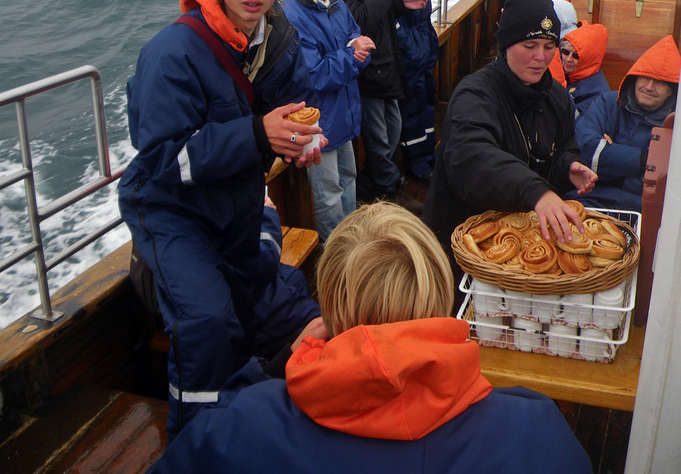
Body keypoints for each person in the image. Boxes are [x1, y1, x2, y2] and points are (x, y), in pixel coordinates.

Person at [150, 202, 593, 474]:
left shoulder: (241, 425)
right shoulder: (539, 435)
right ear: (439, 296)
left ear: (329, 309)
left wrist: (277, 367)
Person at [118, 0, 323, 438]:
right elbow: (164, 159)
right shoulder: (172, 53)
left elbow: (293, 108)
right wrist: (258, 136)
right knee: (208, 324)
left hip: (237, 203)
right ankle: (199, 442)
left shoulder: (279, 42)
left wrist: (306, 139)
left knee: (299, 307)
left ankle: (275, 409)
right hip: (172, 210)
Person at [423, 0, 597, 292]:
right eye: (529, 45)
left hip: (520, 250)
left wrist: (567, 166)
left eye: (548, 45)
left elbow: (562, 148)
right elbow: (471, 157)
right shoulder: (474, 93)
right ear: (506, 43)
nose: (540, 57)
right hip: (462, 246)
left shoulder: (556, 96)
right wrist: (536, 192)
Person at [281, 0, 375, 241]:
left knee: (348, 179)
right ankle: (337, 253)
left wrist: (354, 52)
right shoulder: (291, 14)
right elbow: (316, 74)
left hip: (344, 113)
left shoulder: (335, 2)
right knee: (329, 194)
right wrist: (352, 54)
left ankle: (353, 241)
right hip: (316, 120)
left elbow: (362, 43)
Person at [334, 0, 429, 204]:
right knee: (378, 136)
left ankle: (368, 185)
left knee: (392, 129)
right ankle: (389, 187)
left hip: (384, 66)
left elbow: (380, 8)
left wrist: (402, 3)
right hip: (367, 71)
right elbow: (361, 18)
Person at [575, 34, 681, 212]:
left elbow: (670, 179)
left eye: (659, 83)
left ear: (672, 91)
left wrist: (611, 158)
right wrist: (643, 159)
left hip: (643, 210)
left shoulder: (678, 124)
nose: (648, 86)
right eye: (644, 77)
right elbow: (583, 149)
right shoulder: (608, 103)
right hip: (590, 200)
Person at [386, 0, 440, 182]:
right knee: (412, 104)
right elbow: (387, 7)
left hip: (423, 38)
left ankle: (430, 152)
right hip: (409, 46)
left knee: (427, 98)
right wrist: (408, 43)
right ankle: (418, 164)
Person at [560, 22, 610, 121]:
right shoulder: (561, 72)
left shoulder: (597, 93)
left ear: (588, 59)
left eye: (576, 56)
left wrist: (559, 90)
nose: (568, 59)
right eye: (566, 52)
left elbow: (581, 127)